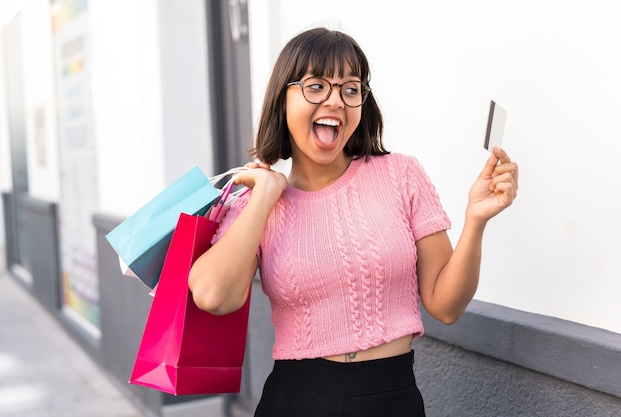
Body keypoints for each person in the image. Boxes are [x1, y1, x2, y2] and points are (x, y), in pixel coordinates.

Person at [188, 27, 518, 417]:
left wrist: (475, 220)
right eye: (316, 86)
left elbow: (446, 306)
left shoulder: (401, 175)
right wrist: (264, 195)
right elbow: (213, 296)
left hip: (392, 398)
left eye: (350, 88)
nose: (336, 100)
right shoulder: (255, 200)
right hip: (297, 399)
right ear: (283, 98)